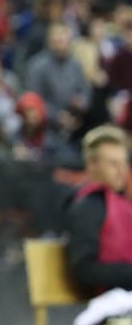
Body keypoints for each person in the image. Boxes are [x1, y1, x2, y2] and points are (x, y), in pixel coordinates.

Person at [65, 125, 132, 293]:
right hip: (110, 304)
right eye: (112, 163)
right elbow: (84, 270)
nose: (121, 171)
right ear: (92, 165)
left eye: (124, 163)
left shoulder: (123, 201)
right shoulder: (88, 206)